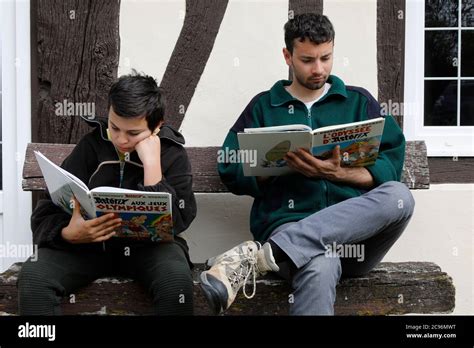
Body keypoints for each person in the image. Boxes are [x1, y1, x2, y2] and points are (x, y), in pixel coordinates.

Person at [200, 13, 415, 315]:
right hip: (290, 226)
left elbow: (391, 161)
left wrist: (339, 172)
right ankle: (282, 249)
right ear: (287, 56)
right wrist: (273, 167)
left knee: (400, 196)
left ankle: (262, 257)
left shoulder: (358, 101)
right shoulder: (264, 106)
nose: (319, 69)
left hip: (357, 241)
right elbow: (229, 166)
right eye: (307, 60)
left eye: (326, 58)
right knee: (320, 262)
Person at [18, 71, 197, 315]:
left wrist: (153, 166)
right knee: (34, 278)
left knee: (175, 281)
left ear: (157, 126)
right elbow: (45, 211)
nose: (121, 140)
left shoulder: (172, 153)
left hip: (151, 250)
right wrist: (67, 233)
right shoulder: (92, 145)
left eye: (133, 133)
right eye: (115, 127)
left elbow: (179, 221)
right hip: (89, 247)